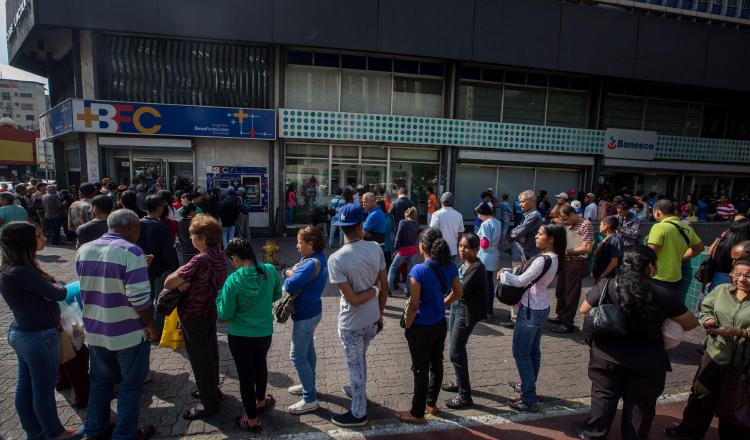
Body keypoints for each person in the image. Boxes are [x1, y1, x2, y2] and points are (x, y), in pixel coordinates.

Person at [578, 246, 699, 440]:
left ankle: (593, 434)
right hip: (647, 360)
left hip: (606, 355)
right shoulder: (663, 292)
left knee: (603, 399)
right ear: (651, 266)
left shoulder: (608, 284)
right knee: (639, 407)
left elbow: (584, 310)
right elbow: (690, 322)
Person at [75, 209, 157, 440]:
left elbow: (101, 281)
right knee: (131, 387)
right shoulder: (131, 252)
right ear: (131, 227)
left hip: (96, 329)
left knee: (100, 383)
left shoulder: (84, 249)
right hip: (128, 332)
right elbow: (139, 299)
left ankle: (94, 428)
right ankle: (125, 434)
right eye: (138, 228)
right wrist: (151, 325)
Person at [0, 221, 81, 440]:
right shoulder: (21, 272)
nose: (44, 238)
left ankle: (35, 432)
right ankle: (55, 433)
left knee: (26, 386)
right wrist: (55, 288)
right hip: (38, 336)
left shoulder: (12, 268)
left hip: (24, 333)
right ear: (24, 242)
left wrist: (53, 289)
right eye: (38, 235)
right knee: (42, 390)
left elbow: (52, 291)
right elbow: (59, 293)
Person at [327, 203, 388, 427]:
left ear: (341, 228)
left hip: (351, 323)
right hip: (371, 318)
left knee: (355, 367)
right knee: (360, 360)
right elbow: (384, 285)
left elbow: (352, 300)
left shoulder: (335, 259)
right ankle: (357, 391)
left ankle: (358, 413)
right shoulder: (375, 248)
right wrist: (379, 313)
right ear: (361, 225)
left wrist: (372, 292)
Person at [164, 214, 228, 420]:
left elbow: (168, 282)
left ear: (201, 237)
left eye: (192, 235)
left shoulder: (200, 258)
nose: (190, 238)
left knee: (200, 358)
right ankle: (211, 390)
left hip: (193, 313)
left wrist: (181, 279)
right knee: (210, 354)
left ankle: (209, 403)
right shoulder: (219, 255)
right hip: (209, 311)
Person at [396, 227, 463, 424]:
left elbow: (414, 304)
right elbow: (459, 292)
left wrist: (408, 325)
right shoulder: (449, 265)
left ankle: (417, 413)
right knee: (437, 363)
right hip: (440, 323)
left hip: (421, 327)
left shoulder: (418, 270)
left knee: (420, 370)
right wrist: (443, 302)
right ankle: (431, 404)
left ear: (422, 246)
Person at [216, 238, 281, 431]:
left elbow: (224, 314)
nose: (231, 264)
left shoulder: (233, 280)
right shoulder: (269, 270)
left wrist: (219, 298)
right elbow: (277, 295)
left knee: (245, 376)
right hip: (264, 332)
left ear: (235, 258)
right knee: (260, 365)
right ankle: (260, 401)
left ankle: (251, 419)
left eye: (231, 260)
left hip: (239, 336)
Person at [502, 222, 566, 411]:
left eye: (540, 234)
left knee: (521, 353)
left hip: (531, 310)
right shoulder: (555, 257)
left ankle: (528, 397)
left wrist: (503, 275)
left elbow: (521, 281)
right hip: (541, 306)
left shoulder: (543, 259)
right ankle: (527, 384)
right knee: (532, 351)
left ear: (551, 239)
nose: (536, 236)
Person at [282, 226, 328, 415]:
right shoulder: (319, 258)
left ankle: (310, 399)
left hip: (305, 315)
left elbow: (290, 284)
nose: (297, 245)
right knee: (308, 351)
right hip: (313, 312)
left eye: (300, 242)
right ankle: (309, 385)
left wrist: (286, 273)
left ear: (310, 243)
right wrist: (290, 272)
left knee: (297, 356)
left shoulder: (310, 263)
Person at [442, 233, 487, 409]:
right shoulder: (465, 263)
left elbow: (460, 290)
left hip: (465, 311)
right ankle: (459, 382)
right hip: (456, 308)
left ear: (476, 249)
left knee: (456, 351)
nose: (462, 250)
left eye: (466, 247)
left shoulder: (477, 267)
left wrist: (443, 302)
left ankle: (465, 395)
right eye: (460, 246)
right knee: (455, 348)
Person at [138, 195, 179, 338]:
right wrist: (175, 269)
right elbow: (168, 252)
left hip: (140, 268)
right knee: (160, 300)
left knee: (145, 300)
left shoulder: (138, 223)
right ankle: (157, 330)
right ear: (159, 208)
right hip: (159, 269)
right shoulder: (161, 227)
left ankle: (145, 329)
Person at [550, 204, 594, 333]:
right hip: (564, 262)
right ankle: (560, 316)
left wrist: (567, 252)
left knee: (571, 294)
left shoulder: (586, 225)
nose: (563, 221)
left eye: (565, 219)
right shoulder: (567, 225)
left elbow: (587, 248)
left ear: (573, 214)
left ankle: (568, 323)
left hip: (576, 263)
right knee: (560, 291)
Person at [647, 199, 704, 294]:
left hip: (657, 277)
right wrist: (680, 258)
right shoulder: (687, 228)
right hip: (676, 278)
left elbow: (649, 254)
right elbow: (700, 248)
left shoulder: (659, 227)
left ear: (657, 212)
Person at [706, 218, 750, 293]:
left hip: (718, 276)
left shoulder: (722, 242)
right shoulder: (744, 248)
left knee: (714, 301)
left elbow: (711, 253)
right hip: (738, 278)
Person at [475, 202, 501, 318]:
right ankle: (489, 310)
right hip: (494, 254)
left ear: (483, 213)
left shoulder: (485, 224)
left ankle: (485, 311)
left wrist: (476, 241)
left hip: (485, 255)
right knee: (489, 283)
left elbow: (484, 243)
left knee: (484, 284)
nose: (478, 217)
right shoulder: (498, 222)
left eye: (478, 214)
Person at [389, 206, 420, 296]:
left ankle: (388, 289)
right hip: (413, 249)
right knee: (410, 271)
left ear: (406, 214)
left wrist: (395, 248)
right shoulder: (416, 224)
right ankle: (407, 291)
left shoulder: (402, 222)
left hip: (402, 250)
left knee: (392, 268)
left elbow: (398, 237)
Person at [429, 192, 465, 260]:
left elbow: (432, 232)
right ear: (452, 202)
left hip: (438, 249)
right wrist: (458, 246)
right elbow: (461, 233)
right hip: (452, 250)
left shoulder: (436, 214)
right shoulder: (458, 215)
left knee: (439, 269)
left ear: (441, 201)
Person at [592, 216, 623, 283]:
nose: (599, 226)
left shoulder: (615, 240)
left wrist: (602, 276)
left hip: (609, 277)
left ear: (606, 226)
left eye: (601, 224)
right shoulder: (606, 238)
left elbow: (614, 262)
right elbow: (595, 254)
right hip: (600, 273)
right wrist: (602, 242)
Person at [380, 200, 396, 271]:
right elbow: (393, 229)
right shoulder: (390, 216)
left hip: (380, 244)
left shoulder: (377, 216)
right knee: (388, 263)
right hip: (389, 244)